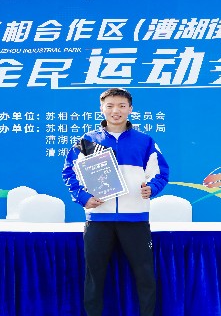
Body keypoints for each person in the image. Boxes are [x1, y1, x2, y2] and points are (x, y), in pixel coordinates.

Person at [62, 88, 170, 316]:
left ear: (130, 109)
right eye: (110, 106)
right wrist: (83, 197)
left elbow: (161, 173)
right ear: (101, 108)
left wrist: (152, 188)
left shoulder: (145, 141)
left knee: (145, 275)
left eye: (121, 106)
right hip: (98, 219)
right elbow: (69, 172)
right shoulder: (87, 141)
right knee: (94, 277)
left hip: (135, 219)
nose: (116, 111)